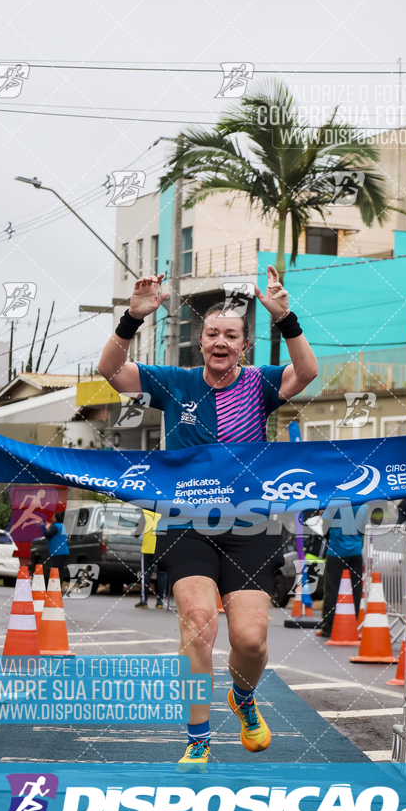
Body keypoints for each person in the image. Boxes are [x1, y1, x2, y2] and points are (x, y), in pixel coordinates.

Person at [98, 265, 318, 768]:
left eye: (232, 335)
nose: (221, 341)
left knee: (250, 638)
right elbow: (109, 372)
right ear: (201, 342)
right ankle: (198, 738)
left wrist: (286, 319)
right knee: (198, 624)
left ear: (244, 345)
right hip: (185, 521)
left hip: (252, 525)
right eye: (213, 333)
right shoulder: (173, 383)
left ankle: (242, 697)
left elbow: (305, 373)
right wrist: (132, 319)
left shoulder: (261, 384)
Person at [315, 525, 363, 639]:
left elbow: (325, 530)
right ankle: (351, 625)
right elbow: (362, 530)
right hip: (356, 552)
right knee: (355, 590)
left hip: (336, 552)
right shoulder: (362, 507)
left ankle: (329, 627)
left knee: (332, 588)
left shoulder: (334, 506)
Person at [136, 509, 167, 609]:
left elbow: (137, 532)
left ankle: (144, 601)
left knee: (146, 575)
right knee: (162, 574)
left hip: (148, 548)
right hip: (162, 548)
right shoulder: (165, 511)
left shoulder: (146, 512)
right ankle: (160, 601)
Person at [44, 511, 69, 583]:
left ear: (56, 518)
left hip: (58, 552)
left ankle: (56, 586)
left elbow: (47, 535)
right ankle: (59, 586)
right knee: (60, 570)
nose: (52, 518)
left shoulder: (56, 526)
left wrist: (43, 527)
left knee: (56, 570)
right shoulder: (62, 526)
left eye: (53, 516)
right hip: (64, 551)